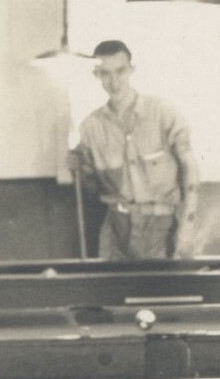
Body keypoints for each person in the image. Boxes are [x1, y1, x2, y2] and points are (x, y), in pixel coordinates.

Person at [68, 40, 200, 259]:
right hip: (114, 232)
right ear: (96, 75)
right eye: (105, 73)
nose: (114, 82)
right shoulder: (91, 127)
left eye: (120, 71)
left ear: (131, 70)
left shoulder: (163, 113)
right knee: (111, 293)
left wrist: (187, 227)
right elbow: (90, 188)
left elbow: (190, 169)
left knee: (158, 293)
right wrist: (77, 168)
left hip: (161, 228)